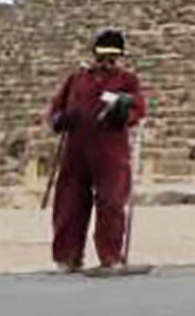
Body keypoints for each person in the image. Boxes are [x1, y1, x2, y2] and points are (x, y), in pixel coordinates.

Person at [43, 28, 146, 273]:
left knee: (111, 202)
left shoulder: (127, 80)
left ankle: (110, 257)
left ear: (120, 56)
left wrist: (123, 113)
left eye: (112, 57)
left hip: (110, 150)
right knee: (69, 203)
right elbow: (55, 108)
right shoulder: (77, 78)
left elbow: (138, 109)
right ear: (94, 54)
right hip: (75, 150)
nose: (106, 62)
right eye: (102, 57)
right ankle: (67, 258)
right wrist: (60, 119)